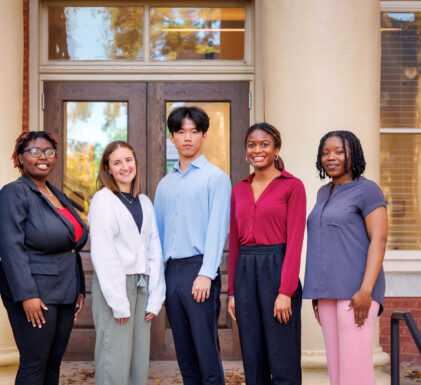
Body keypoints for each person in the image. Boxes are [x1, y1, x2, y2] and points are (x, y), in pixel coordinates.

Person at [0, 131, 87, 385]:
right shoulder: (14, 193)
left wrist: (79, 288)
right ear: (20, 158)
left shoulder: (55, 193)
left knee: (53, 362)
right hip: (35, 292)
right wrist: (27, 295)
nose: (42, 157)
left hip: (65, 291)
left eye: (48, 152)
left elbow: (72, 245)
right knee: (34, 362)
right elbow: (10, 246)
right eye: (34, 152)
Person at [154, 106, 231, 385]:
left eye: (194, 132)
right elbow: (159, 236)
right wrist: (159, 280)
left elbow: (217, 229)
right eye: (181, 132)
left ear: (204, 136)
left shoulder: (216, 178)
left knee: (205, 351)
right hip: (171, 272)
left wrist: (206, 272)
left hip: (199, 268)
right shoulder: (165, 184)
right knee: (184, 353)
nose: (187, 138)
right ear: (172, 137)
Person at [303, 130, 388, 385]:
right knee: (337, 372)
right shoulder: (322, 192)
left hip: (357, 291)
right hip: (327, 293)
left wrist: (366, 290)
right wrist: (318, 293)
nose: (331, 157)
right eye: (326, 152)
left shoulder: (368, 191)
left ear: (353, 154)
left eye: (339, 152)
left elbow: (379, 240)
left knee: (355, 370)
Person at [227, 123, 305, 385]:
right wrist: (233, 292)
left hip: (278, 269)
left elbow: (295, 242)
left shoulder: (292, 186)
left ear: (276, 149)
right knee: (253, 356)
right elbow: (235, 244)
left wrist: (286, 291)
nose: (257, 150)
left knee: (282, 356)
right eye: (251, 145)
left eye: (264, 144)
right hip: (246, 272)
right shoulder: (239, 189)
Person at [88, 141, 166, 385]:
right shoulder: (103, 200)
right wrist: (119, 303)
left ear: (136, 163)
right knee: (114, 360)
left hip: (143, 287)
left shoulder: (144, 202)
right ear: (108, 168)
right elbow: (104, 253)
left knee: (138, 361)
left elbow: (154, 249)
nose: (125, 167)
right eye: (117, 162)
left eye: (129, 160)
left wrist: (156, 296)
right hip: (115, 288)